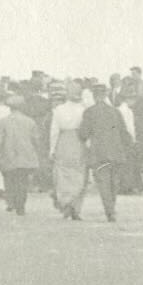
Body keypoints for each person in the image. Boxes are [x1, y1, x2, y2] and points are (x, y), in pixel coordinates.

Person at [79, 89, 133, 225]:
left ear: (94, 96)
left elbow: (83, 134)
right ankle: (112, 208)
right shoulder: (115, 111)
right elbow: (124, 132)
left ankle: (109, 211)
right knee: (113, 182)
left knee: (103, 183)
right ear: (105, 96)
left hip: (99, 154)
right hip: (116, 152)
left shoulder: (89, 112)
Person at [46, 89, 90, 221]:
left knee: (63, 174)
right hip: (79, 141)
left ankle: (65, 203)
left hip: (63, 140)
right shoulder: (84, 109)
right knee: (79, 173)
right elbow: (87, 129)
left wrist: (52, 149)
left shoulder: (59, 110)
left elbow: (54, 131)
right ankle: (76, 206)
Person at [0, 97, 45, 215]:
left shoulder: (3, 121)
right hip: (26, 156)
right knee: (23, 181)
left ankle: (11, 201)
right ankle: (21, 205)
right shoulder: (30, 121)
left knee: (9, 180)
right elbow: (36, 139)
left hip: (8, 156)